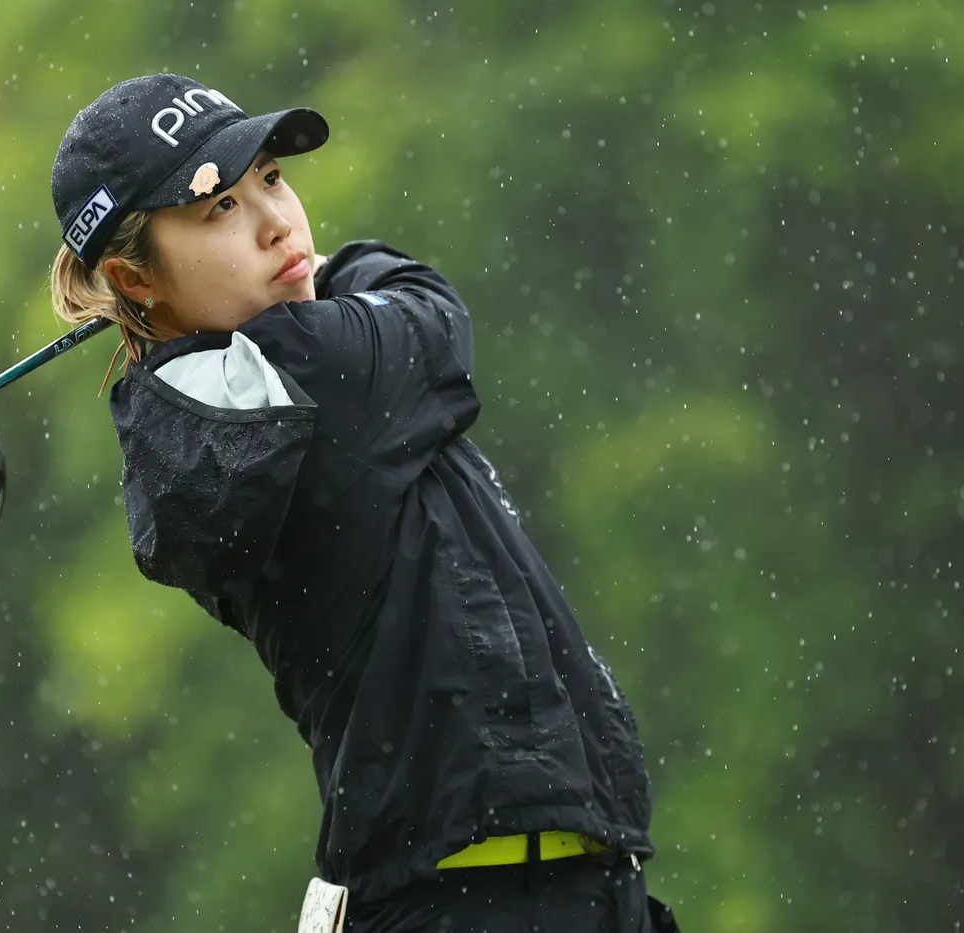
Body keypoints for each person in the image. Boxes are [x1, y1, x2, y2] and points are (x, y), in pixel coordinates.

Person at [46, 73, 681, 933]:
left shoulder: (209, 406)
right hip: (477, 899)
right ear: (134, 275)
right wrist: (335, 272)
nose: (276, 223)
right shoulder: (295, 382)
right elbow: (431, 311)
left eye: (271, 179)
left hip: (535, 889)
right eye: (219, 207)